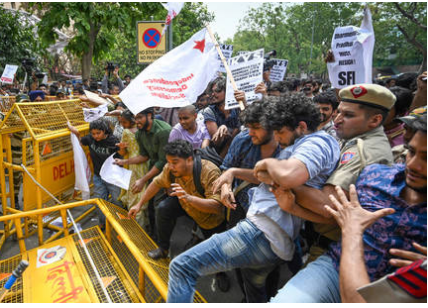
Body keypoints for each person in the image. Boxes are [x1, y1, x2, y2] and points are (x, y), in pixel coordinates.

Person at [166, 93, 340, 303]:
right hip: (267, 234)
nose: (277, 138)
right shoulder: (293, 146)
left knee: (182, 267)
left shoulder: (317, 142)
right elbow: (269, 179)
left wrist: (263, 165)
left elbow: (287, 176)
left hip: (259, 232)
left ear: (301, 127)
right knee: (254, 293)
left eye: (280, 132)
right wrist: (234, 173)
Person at [271, 115, 427, 303]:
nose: (412, 165)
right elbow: (339, 218)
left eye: (426, 158)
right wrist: (293, 208)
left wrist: (352, 233)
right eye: (411, 151)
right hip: (334, 269)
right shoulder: (375, 175)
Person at [289, 84, 396, 263]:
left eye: (348, 115)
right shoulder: (356, 139)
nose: (337, 119)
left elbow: (327, 206)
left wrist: (283, 179)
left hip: (337, 249)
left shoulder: (362, 150)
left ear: (375, 120)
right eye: (338, 112)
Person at [211, 100, 282, 302]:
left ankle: (270, 296)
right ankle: (247, 296)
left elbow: (274, 177)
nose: (251, 133)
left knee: (269, 260)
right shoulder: (242, 139)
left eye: (257, 128)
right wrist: (225, 188)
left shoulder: (287, 145)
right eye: (249, 127)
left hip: (273, 211)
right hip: (240, 206)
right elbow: (227, 168)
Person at [128, 139, 226, 260]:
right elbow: (156, 183)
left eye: (175, 162)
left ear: (189, 159)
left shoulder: (209, 171)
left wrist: (189, 198)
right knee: (163, 208)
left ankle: (221, 274)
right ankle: (163, 249)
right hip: (184, 202)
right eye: (169, 162)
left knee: (217, 252)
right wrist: (139, 204)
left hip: (209, 217)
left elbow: (217, 206)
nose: (171, 166)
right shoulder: (170, 168)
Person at [113, 107, 171, 238]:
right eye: (135, 118)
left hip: (168, 171)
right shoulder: (140, 133)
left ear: (149, 115)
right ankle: (150, 235)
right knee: (149, 206)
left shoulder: (163, 131)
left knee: (159, 207)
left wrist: (143, 179)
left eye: (139, 117)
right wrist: (123, 162)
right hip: (152, 170)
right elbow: (144, 156)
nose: (136, 121)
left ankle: (161, 242)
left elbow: (162, 162)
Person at [68, 119, 122, 227]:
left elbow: (121, 157)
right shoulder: (90, 139)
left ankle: (120, 223)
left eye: (98, 133)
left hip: (113, 177)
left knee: (118, 201)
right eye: (93, 133)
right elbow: (81, 142)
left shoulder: (113, 141)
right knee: (99, 200)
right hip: (98, 176)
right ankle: (103, 224)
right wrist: (75, 132)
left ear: (105, 131)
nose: (96, 136)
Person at [117, 110, 150, 232]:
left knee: (136, 196)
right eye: (121, 122)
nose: (122, 125)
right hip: (139, 165)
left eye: (124, 122)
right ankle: (144, 228)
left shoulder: (132, 131)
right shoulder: (139, 130)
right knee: (140, 195)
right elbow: (125, 152)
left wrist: (122, 153)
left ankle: (138, 230)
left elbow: (124, 153)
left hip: (135, 165)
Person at [202, 77, 243, 157]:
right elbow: (217, 142)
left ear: (227, 92)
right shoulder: (209, 111)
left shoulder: (237, 109)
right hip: (216, 155)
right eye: (212, 91)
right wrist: (222, 130)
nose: (213, 94)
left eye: (217, 91)